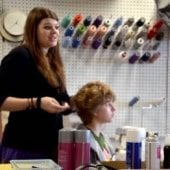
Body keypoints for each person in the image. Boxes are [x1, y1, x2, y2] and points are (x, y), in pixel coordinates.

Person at [0, 7, 74, 163]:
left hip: (50, 146)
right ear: (33, 30)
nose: (54, 31)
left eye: (56, 27)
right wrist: (37, 102)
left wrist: (74, 104)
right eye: (47, 27)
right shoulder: (20, 56)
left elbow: (63, 100)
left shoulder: (53, 62)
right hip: (23, 148)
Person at [72, 81, 116, 164]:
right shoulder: (82, 142)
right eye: (108, 104)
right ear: (94, 110)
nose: (114, 108)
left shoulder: (102, 137)